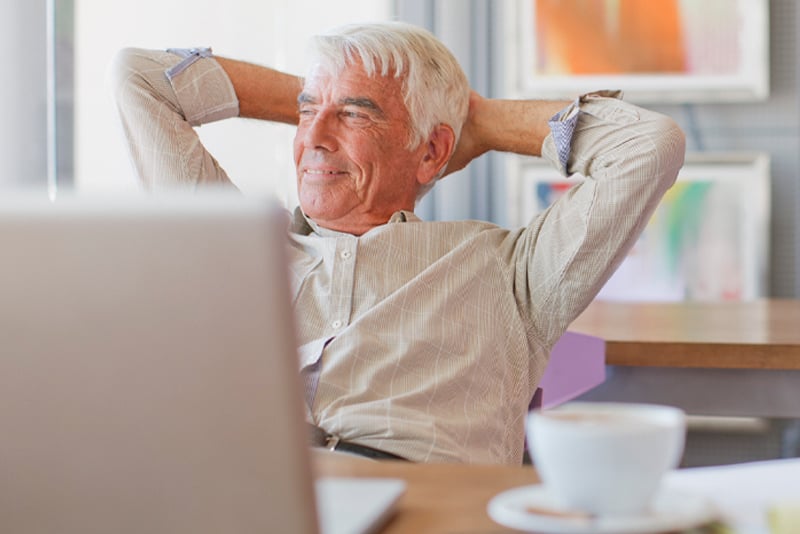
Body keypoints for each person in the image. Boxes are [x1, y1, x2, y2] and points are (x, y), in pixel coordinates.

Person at [110, 21, 685, 464]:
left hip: (421, 504)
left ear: (432, 151)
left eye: (356, 117)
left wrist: (475, 121)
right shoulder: (238, 249)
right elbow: (138, 77)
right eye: (305, 113)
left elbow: (648, 146)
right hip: (249, 501)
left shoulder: (510, 273)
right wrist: (332, 92)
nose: (310, 136)